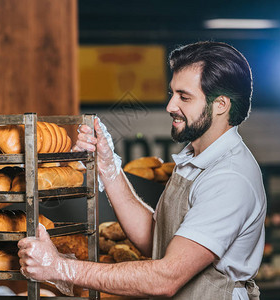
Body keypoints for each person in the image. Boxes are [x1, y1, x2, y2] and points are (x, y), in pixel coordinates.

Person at [18, 41, 267, 300]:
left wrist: (60, 267)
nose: (170, 105)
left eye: (184, 97)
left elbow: (165, 278)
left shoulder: (229, 177)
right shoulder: (196, 160)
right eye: (172, 93)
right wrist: (108, 168)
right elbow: (155, 239)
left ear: (221, 105)